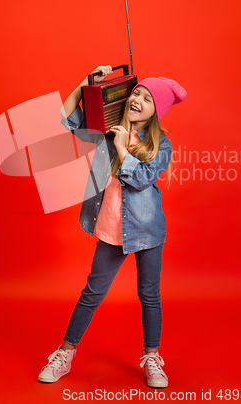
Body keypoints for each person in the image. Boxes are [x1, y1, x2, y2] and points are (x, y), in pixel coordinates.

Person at [38, 65, 187, 387]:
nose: (138, 100)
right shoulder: (108, 129)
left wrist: (123, 150)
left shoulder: (160, 145)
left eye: (147, 99)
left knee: (149, 296)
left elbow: (143, 180)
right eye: (137, 93)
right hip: (110, 229)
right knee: (91, 293)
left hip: (147, 232)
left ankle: (152, 358)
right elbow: (66, 119)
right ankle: (65, 353)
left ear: (156, 111)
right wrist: (88, 82)